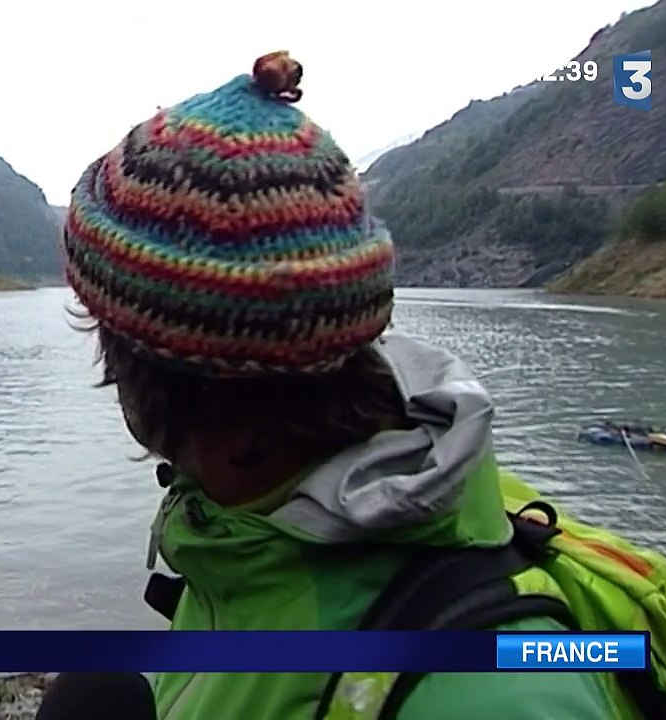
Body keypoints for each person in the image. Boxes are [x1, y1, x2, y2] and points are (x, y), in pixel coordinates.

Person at [57, 51, 618, 718]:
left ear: (226, 423)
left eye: (114, 354)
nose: (109, 375)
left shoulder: (492, 695)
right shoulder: (245, 527)